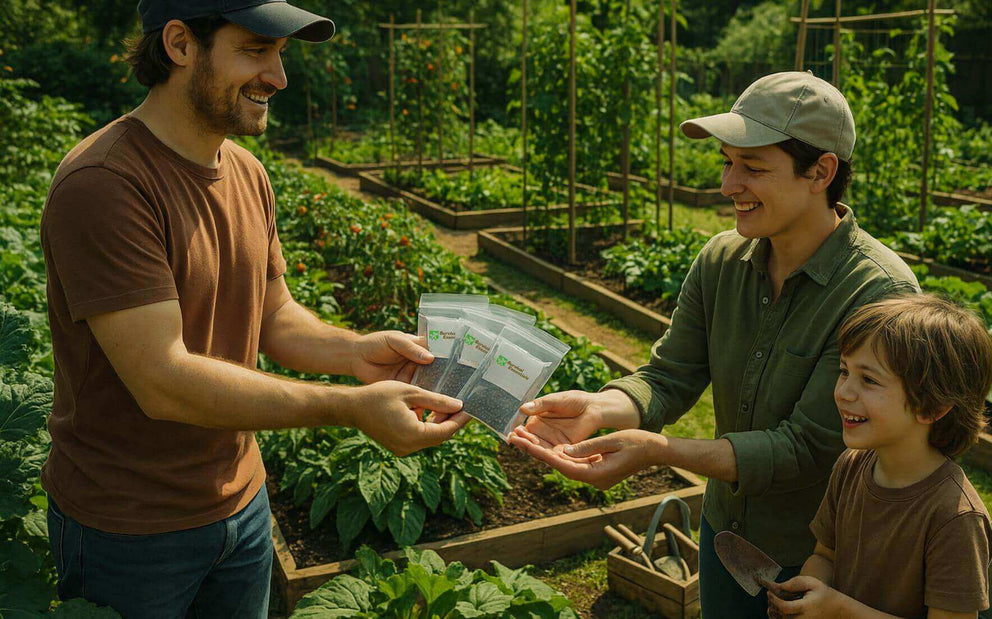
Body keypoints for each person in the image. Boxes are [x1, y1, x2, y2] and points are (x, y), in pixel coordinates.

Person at [38, 1, 467, 616]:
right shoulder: (105, 183)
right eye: (254, 50)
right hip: (129, 530)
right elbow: (163, 381)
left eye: (280, 54)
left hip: (242, 508)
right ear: (181, 45)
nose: (278, 77)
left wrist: (356, 352)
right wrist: (351, 408)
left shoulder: (245, 171)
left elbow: (276, 317)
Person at [508, 71, 920, 617]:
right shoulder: (722, 261)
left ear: (820, 172)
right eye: (726, 162)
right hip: (725, 531)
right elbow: (669, 375)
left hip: (825, 560)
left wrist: (659, 451)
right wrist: (601, 408)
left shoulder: (878, 292)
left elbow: (809, 447)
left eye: (752, 168)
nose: (728, 185)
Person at [765, 294, 992, 619]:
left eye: (869, 380)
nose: (843, 391)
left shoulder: (955, 518)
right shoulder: (852, 465)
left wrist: (837, 609)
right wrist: (808, 595)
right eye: (844, 371)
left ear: (931, 407)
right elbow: (825, 556)